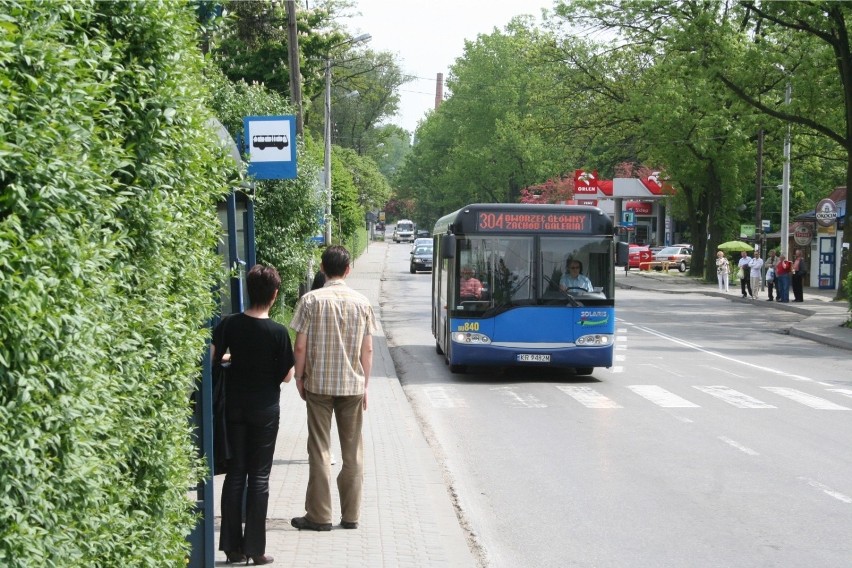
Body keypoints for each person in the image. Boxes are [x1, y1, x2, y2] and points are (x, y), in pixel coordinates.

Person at [290, 245, 377, 533]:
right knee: (352, 452)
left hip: (318, 385)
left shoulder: (310, 301)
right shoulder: (362, 303)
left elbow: (300, 345)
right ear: (348, 269)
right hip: (352, 386)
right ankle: (351, 516)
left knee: (319, 448)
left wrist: (300, 378)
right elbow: (368, 349)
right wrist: (365, 385)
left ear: (322, 268)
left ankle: (320, 516)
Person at [213, 264, 295, 566]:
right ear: (274, 295)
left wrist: (231, 358)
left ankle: (232, 549)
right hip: (265, 410)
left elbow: (212, 359)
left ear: (248, 291)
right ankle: (256, 550)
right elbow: (286, 376)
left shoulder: (229, 324)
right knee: (259, 478)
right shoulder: (277, 332)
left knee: (235, 475)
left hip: (234, 408)